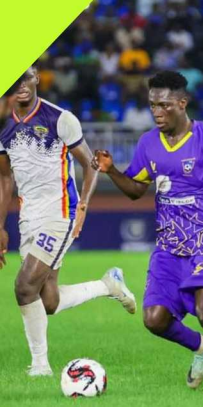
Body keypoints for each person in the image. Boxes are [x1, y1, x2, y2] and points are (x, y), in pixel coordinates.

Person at [91, 71, 203, 395]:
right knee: (154, 319)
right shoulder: (148, 144)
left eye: (164, 105)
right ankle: (201, 347)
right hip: (169, 245)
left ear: (182, 103)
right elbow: (135, 189)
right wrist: (111, 171)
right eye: (153, 105)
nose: (157, 112)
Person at [0, 68, 135, 376]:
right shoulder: (3, 123)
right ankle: (107, 285)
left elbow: (90, 164)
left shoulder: (60, 118)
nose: (21, 86)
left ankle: (40, 366)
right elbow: (4, 178)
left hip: (60, 213)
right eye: (14, 80)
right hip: (28, 216)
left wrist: (84, 205)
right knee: (48, 300)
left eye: (27, 78)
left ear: (37, 78)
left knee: (23, 287)